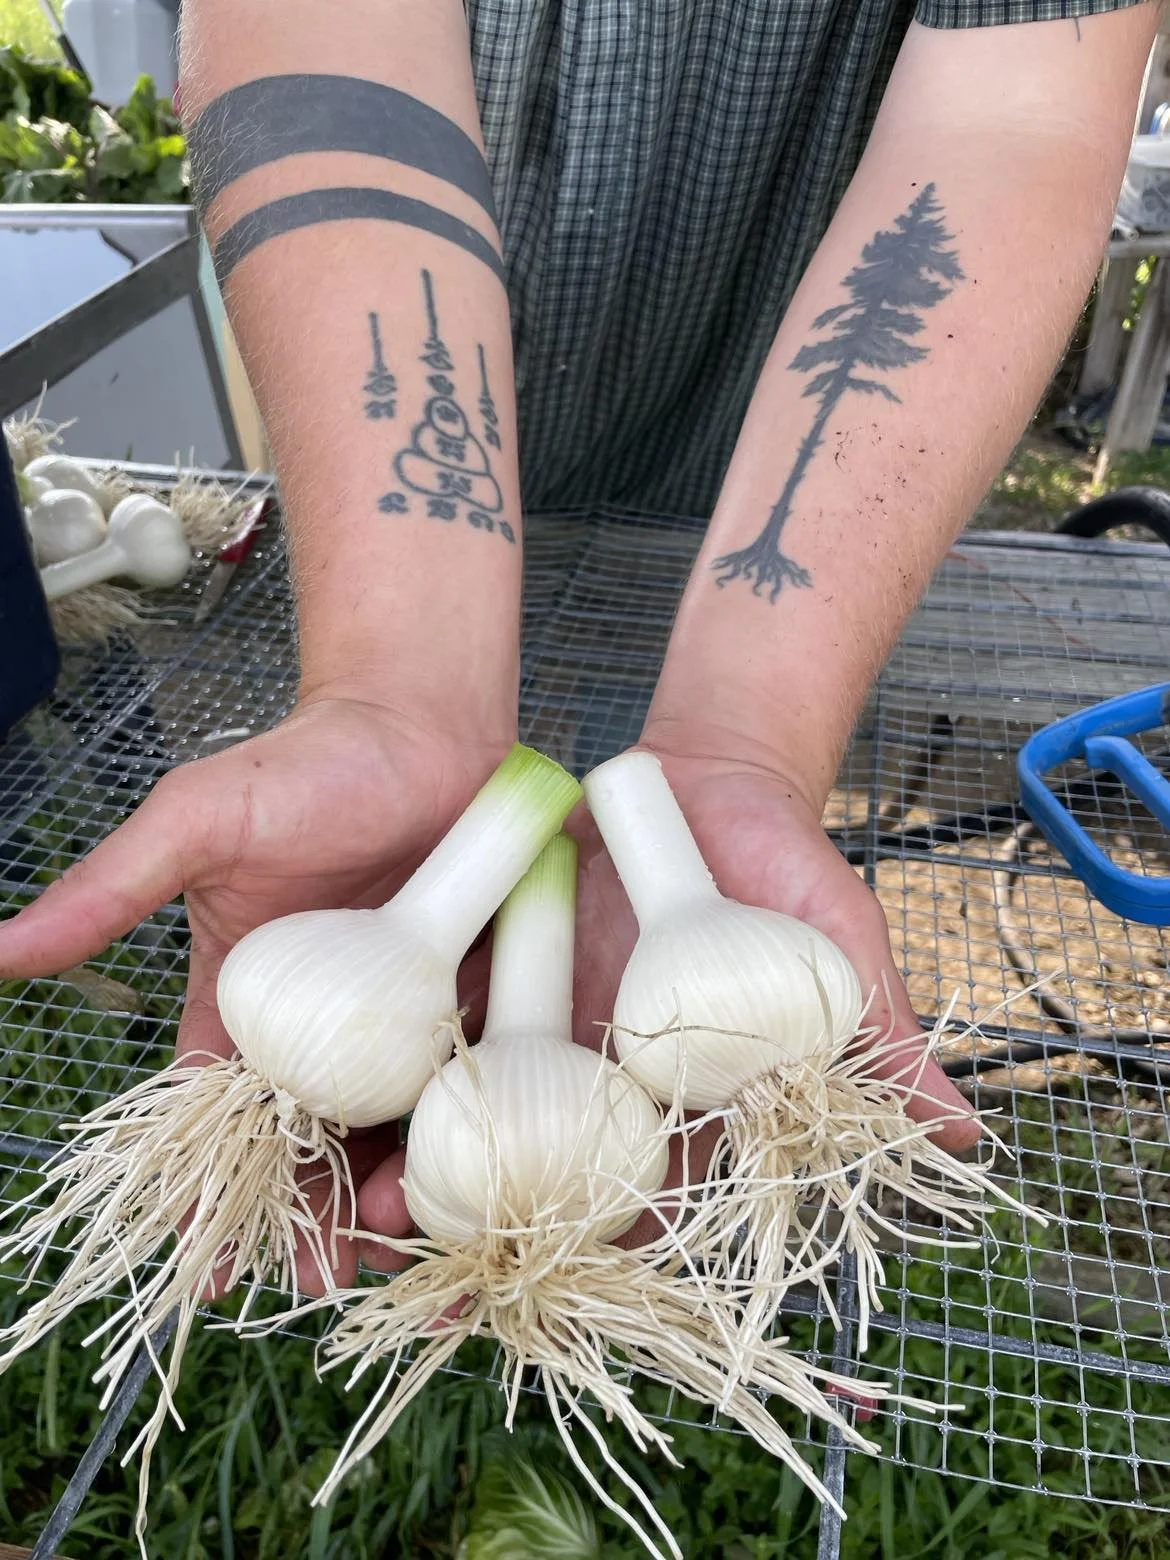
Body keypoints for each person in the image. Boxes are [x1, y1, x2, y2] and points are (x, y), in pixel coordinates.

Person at [0, 1, 1157, 1285]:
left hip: (796, 447)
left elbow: (1011, 112)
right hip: (363, 438)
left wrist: (744, 733)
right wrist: (398, 689)